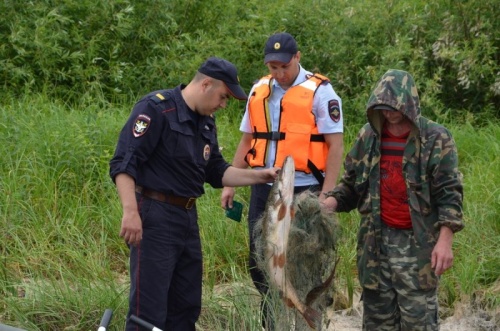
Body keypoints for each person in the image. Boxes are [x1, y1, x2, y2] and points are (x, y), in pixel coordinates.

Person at [109, 57, 280, 331]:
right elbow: (124, 163)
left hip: (187, 218)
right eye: (223, 97)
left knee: (186, 305)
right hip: (153, 214)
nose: (223, 105)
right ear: (206, 84)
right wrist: (130, 212)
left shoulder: (206, 123)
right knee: (148, 310)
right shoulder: (156, 109)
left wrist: (261, 174)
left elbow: (216, 171)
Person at [220, 32, 344, 329]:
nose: (278, 73)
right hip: (264, 186)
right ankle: (271, 320)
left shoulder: (321, 92)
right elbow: (248, 139)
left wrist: (327, 195)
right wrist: (230, 184)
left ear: (297, 57)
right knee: (260, 257)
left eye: (284, 66)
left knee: (303, 260)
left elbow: (336, 146)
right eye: (273, 67)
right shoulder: (259, 90)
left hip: (305, 189)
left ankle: (306, 319)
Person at [324, 69, 464, 330]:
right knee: (377, 322)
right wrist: (329, 203)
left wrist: (445, 242)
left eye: (394, 106)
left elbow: (449, 193)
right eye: (383, 107)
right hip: (375, 247)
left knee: (418, 321)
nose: (388, 113)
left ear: (409, 103)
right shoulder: (368, 137)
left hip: (418, 248)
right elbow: (352, 186)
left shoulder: (436, 138)